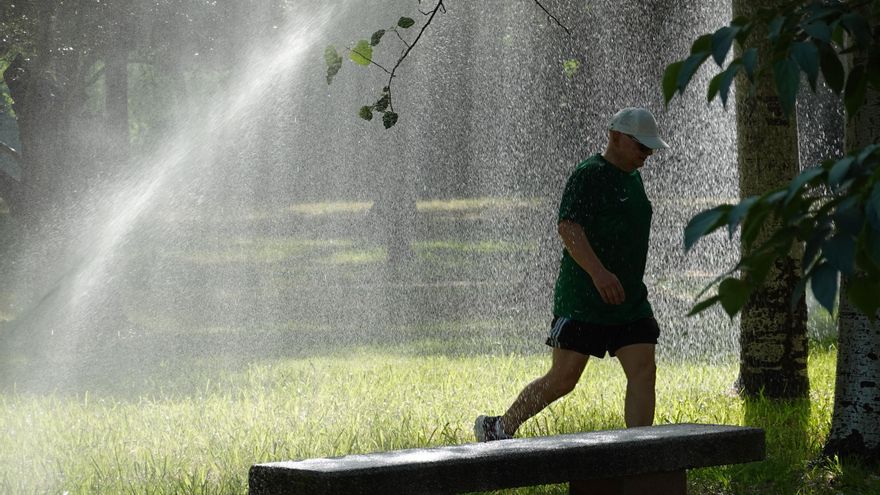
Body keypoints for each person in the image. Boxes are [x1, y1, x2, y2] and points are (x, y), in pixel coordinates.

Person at [475, 107, 670, 441]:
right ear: (615, 137)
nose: (647, 155)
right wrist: (599, 273)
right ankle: (500, 427)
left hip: (629, 301)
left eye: (650, 149)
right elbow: (567, 227)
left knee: (643, 371)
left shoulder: (634, 178)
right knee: (563, 379)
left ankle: (640, 453)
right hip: (584, 299)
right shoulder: (589, 174)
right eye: (641, 147)